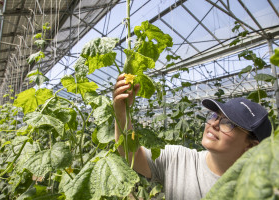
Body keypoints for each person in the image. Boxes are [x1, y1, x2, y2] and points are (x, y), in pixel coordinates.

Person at [113, 74, 272, 200]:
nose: (213, 124)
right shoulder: (178, 159)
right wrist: (121, 114)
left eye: (228, 123)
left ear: (251, 146)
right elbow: (131, 154)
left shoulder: (263, 188)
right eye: (214, 116)